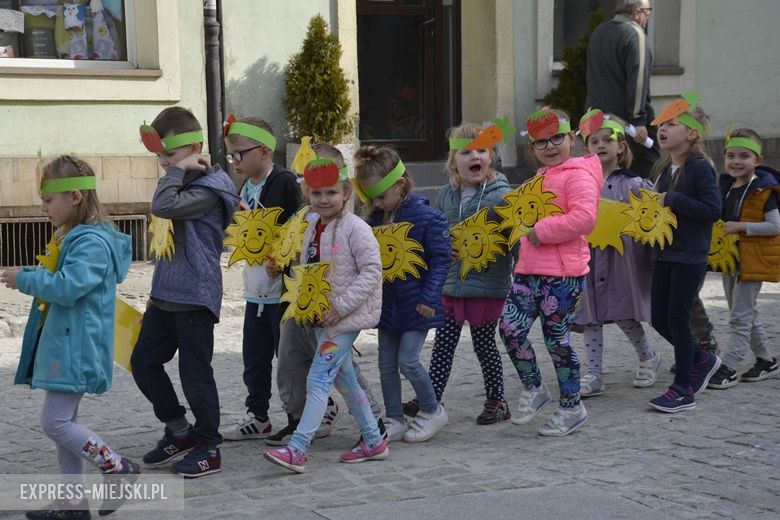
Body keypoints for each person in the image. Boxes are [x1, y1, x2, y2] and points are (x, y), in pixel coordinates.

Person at [1, 155, 138, 519]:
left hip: (76, 346)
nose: (43, 207)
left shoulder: (90, 242)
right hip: (66, 342)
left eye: (48, 200)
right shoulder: (73, 237)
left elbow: (68, 287)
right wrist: (29, 272)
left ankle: (116, 467)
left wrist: (26, 280)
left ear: (74, 197)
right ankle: (73, 502)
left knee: (55, 423)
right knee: (65, 425)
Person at [131, 107, 240, 477]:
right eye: (161, 157)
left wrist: (179, 170)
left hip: (195, 293)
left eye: (170, 156)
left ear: (194, 149)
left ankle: (209, 445)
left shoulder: (209, 189)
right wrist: (152, 294)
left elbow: (162, 207)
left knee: (195, 373)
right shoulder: (184, 179)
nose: (164, 164)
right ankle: (179, 430)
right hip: (166, 293)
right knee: (143, 361)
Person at [263, 155, 388, 473]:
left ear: (346, 192)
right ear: (307, 194)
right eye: (316, 193)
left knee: (318, 379)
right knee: (346, 382)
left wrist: (341, 307)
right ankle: (374, 440)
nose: (324, 199)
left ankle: (298, 448)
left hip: (344, 321)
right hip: (319, 317)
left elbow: (372, 271)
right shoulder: (309, 226)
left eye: (331, 192)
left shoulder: (356, 229)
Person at [498, 108, 601, 437]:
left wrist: (540, 231)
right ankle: (535, 386)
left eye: (557, 138)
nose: (550, 146)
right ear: (532, 148)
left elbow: (585, 218)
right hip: (528, 272)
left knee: (557, 340)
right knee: (510, 329)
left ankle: (572, 406)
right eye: (541, 142)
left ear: (572, 138)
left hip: (564, 275)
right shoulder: (538, 179)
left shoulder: (579, 174)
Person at [405, 122, 514, 425]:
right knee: (443, 344)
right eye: (466, 152)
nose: (474, 156)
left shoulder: (502, 195)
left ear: (490, 157)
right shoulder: (445, 196)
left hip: (486, 285)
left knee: (484, 345)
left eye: (481, 150)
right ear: (454, 161)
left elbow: (513, 237)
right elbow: (435, 233)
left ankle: (497, 400)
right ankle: (431, 397)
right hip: (452, 284)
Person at [355, 145, 451, 442]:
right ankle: (394, 417)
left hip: (417, 304)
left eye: (381, 196)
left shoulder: (428, 217)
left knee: (408, 361)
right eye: (371, 198)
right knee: (385, 364)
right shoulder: (373, 221)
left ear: (399, 184)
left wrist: (429, 298)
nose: (377, 203)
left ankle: (433, 409)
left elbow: (440, 259)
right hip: (387, 306)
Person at [220, 116, 302, 441]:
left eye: (239, 154)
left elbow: (300, 227)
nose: (234, 161)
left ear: (264, 151)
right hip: (255, 290)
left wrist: (284, 261)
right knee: (254, 357)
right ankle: (258, 416)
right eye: (230, 155)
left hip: (281, 290)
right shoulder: (247, 185)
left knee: (288, 359)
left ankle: (301, 414)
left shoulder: (283, 181)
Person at [575, 112, 661, 397]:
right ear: (586, 148)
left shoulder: (632, 184)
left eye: (607, 140)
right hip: (588, 258)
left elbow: (647, 221)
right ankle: (594, 373)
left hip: (619, 259)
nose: (601, 145)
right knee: (590, 316)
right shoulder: (581, 182)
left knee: (624, 311)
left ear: (621, 146)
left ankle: (648, 356)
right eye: (594, 141)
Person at [648, 99, 722, 413]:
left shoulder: (700, 167)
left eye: (671, 125)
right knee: (658, 319)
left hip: (689, 255)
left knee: (678, 319)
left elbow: (712, 210)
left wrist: (673, 199)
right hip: (663, 254)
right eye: (661, 125)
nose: (663, 129)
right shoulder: (666, 168)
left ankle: (683, 389)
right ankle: (702, 359)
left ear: (691, 135)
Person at [707, 129, 780, 388]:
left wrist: (740, 226)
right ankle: (767, 360)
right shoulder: (726, 186)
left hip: (752, 262)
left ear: (757, 160)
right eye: (731, 155)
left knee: (739, 316)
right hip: (730, 260)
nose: (736, 161)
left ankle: (730, 366)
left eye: (744, 156)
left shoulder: (764, 191)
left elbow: (775, 226)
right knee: (745, 313)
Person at [586, 0, 660, 178]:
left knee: (608, 169)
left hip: (595, 117)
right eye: (647, 13)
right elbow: (638, 79)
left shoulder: (599, 31)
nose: (646, 19)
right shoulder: (635, 34)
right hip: (626, 121)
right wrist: (638, 119)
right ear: (637, 12)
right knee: (650, 163)